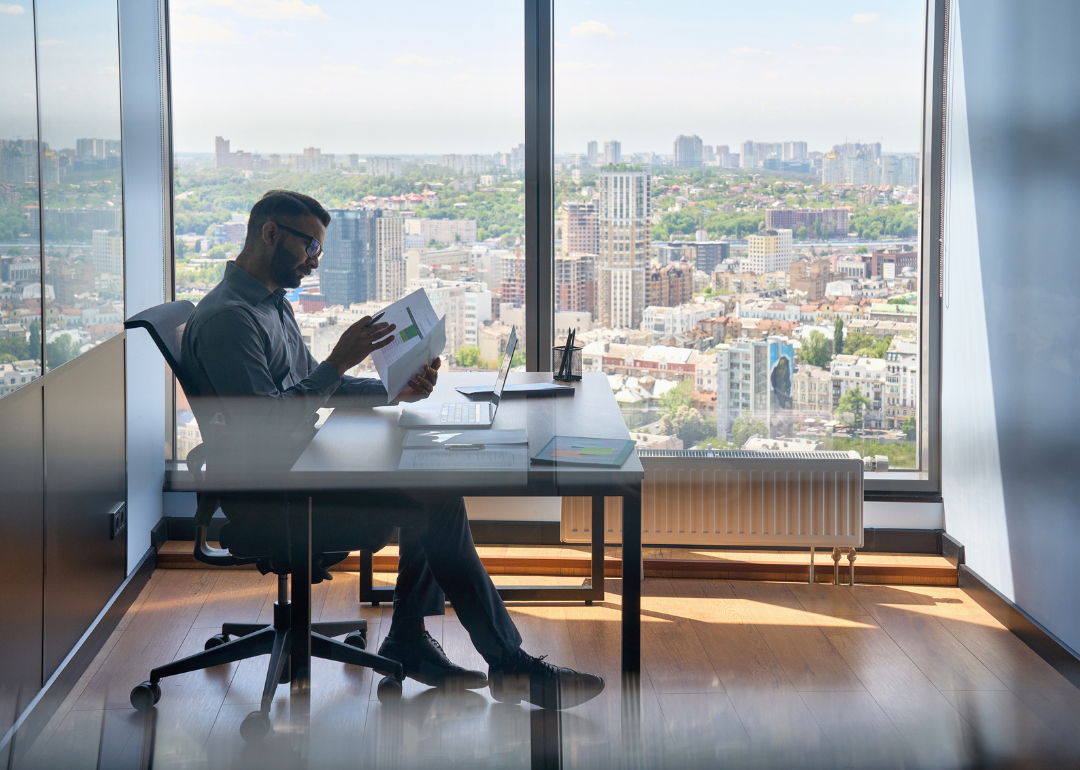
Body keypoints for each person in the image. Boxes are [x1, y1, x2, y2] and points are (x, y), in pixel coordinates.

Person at [181, 189, 604, 710]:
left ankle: (412, 640)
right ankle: (508, 664)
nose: (314, 261)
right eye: (309, 247)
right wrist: (338, 362)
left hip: (300, 468)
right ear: (271, 233)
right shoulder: (231, 320)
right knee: (434, 499)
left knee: (430, 484)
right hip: (275, 497)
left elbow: (306, 391)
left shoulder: (269, 304)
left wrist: (389, 391)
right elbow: (268, 426)